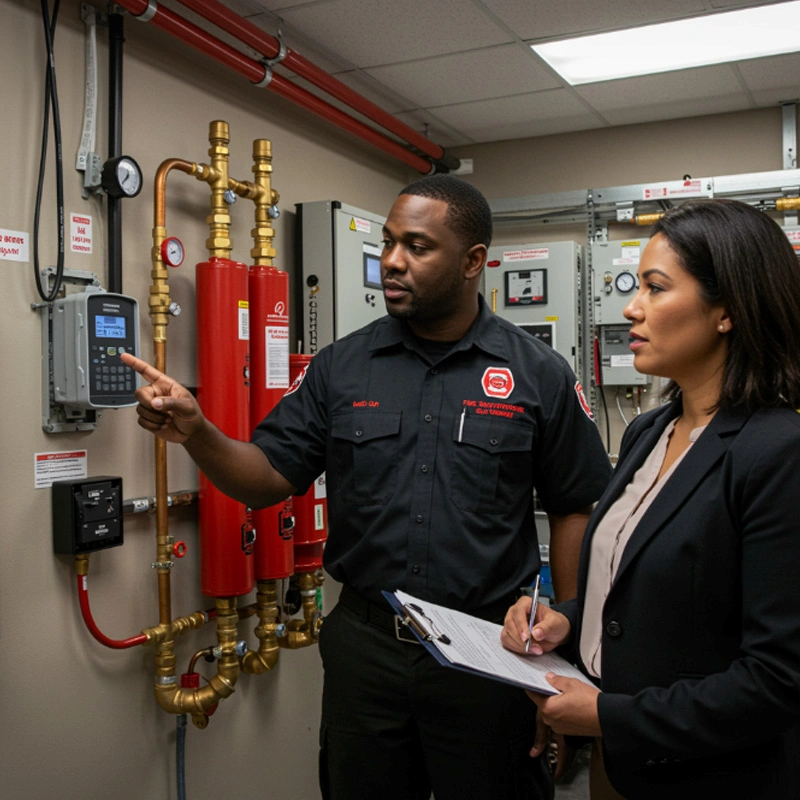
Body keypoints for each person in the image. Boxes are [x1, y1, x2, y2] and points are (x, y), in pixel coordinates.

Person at [122, 175, 611, 800]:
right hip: (368, 648)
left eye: (417, 246)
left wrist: (561, 632)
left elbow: (575, 505)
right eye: (386, 243)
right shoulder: (342, 366)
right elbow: (267, 477)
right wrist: (197, 432)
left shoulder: (536, 373)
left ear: (472, 263)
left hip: (489, 651)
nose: (392, 262)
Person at [501, 198, 800, 800]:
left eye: (656, 288)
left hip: (714, 777)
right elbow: (647, 589)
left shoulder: (777, 451)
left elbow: (778, 679)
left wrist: (609, 715)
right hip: (623, 767)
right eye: (636, 286)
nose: (631, 309)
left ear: (727, 311)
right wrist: (569, 620)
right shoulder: (648, 431)